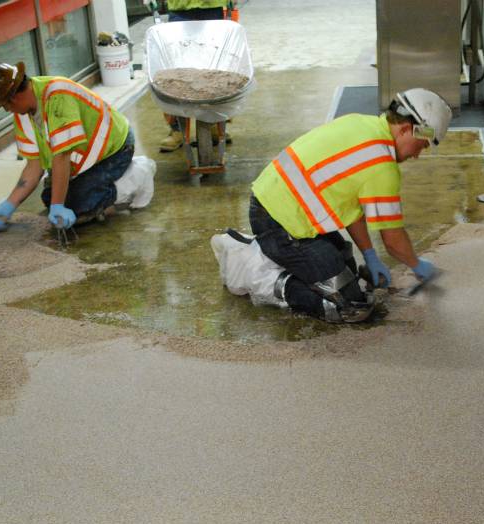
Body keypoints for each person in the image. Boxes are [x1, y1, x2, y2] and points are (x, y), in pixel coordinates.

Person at [248, 88, 451, 323]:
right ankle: (273, 283)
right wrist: (417, 266)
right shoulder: (382, 165)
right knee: (352, 306)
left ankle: (295, 265)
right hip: (280, 226)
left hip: (275, 205)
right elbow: (393, 239)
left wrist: (370, 255)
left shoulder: (361, 123)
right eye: (422, 145)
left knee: (348, 268)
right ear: (406, 129)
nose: (417, 155)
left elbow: (350, 207)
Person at [0, 61, 135, 232]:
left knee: (77, 206)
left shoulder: (58, 95)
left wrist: (58, 205)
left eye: (4, 105)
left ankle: (133, 180)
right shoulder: (22, 113)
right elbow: (34, 166)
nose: (7, 110)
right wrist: (9, 205)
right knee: (48, 197)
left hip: (115, 149)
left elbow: (62, 156)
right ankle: (87, 191)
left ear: (13, 97)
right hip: (85, 156)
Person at [158, 0, 236, 153]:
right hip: (179, 8)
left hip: (212, 6)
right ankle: (177, 129)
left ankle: (215, 122)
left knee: (215, 67)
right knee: (176, 71)